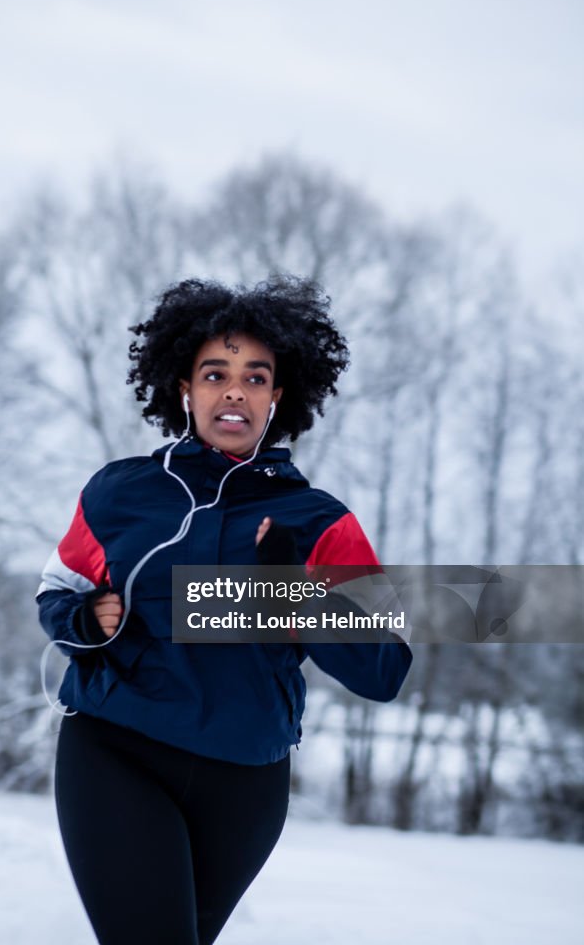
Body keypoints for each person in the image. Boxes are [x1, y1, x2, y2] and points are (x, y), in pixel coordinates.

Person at [37, 275, 412, 945]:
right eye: (214, 373)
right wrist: (85, 618)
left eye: (255, 376)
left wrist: (291, 589)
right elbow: (56, 591)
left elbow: (383, 669)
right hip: (116, 750)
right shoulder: (118, 493)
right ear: (184, 387)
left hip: (245, 781)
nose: (233, 390)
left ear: (279, 396)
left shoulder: (320, 522)